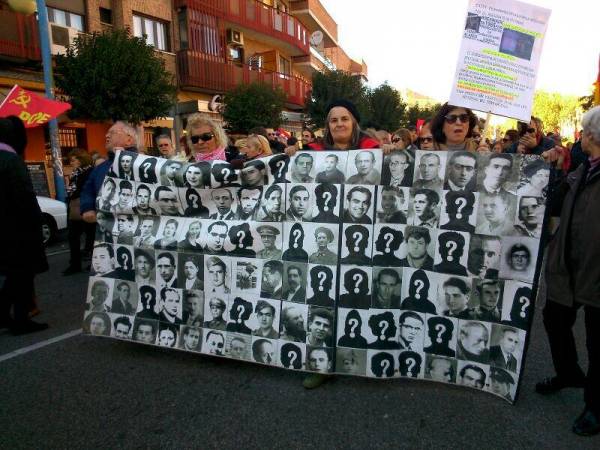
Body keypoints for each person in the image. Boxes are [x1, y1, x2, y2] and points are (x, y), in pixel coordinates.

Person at [535, 107, 600, 436]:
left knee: (597, 341)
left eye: (585, 133)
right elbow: (557, 202)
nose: (581, 138)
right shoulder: (584, 168)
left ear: (592, 136)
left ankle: (595, 407)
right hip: (569, 265)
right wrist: (552, 166)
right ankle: (568, 372)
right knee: (554, 318)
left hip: (596, 270)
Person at [81, 121, 139, 224]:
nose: (106, 135)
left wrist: (123, 157)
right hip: (107, 228)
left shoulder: (145, 165)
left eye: (112, 133)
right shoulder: (100, 168)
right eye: (107, 133)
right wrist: (87, 208)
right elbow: (88, 190)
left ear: (129, 140)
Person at [63, 149, 95, 275]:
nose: (71, 162)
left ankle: (93, 263)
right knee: (73, 237)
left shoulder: (89, 172)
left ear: (81, 159)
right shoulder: (76, 173)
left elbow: (87, 189)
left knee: (91, 237)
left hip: (87, 208)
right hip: (75, 208)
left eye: (73, 160)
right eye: (70, 160)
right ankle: (75, 264)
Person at [303, 99, 379, 151]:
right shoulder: (313, 151)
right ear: (328, 125)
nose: (339, 124)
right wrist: (293, 152)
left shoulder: (372, 149)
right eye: (334, 120)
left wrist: (389, 154)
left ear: (353, 123)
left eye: (345, 119)